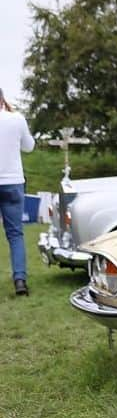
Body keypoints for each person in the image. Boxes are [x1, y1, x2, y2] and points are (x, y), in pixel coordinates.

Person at [0, 88, 35, 296]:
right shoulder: (17, 118)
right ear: (3, 100)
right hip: (12, 182)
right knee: (15, 235)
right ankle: (20, 280)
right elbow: (29, 147)